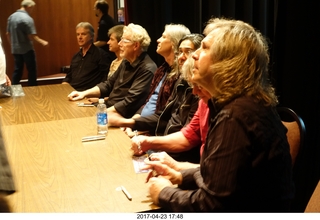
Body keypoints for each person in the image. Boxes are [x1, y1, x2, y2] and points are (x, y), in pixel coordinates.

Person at [143, 18, 295, 212]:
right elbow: (217, 177)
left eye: (204, 48)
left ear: (228, 63)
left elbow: (212, 206)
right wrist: (180, 176)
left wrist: (163, 192)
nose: (195, 55)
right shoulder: (236, 106)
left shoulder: (236, 115)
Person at [109, 24, 190, 128]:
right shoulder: (162, 70)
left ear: (174, 43)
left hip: (154, 130)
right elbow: (148, 102)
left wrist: (131, 123)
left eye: (164, 37)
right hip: (141, 123)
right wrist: (133, 122)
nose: (158, 40)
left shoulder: (179, 76)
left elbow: (165, 116)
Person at [68, 23, 157, 119]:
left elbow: (130, 102)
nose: (120, 44)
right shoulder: (126, 62)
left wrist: (101, 112)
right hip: (109, 108)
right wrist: (83, 93)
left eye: (124, 41)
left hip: (121, 115)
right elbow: (108, 84)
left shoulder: (147, 68)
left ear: (135, 46)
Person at [6, 0, 48, 86]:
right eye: (32, 8)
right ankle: (33, 89)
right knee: (31, 70)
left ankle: (14, 88)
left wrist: (12, 45)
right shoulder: (27, 19)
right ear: (29, 7)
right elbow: (31, 36)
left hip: (15, 49)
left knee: (17, 70)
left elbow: (7, 34)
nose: (32, 10)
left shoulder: (11, 17)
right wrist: (42, 42)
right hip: (27, 49)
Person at [62, 22, 109, 91]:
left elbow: (105, 80)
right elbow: (69, 76)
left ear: (91, 36)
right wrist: (63, 86)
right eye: (78, 34)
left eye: (83, 34)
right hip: (71, 90)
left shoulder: (101, 55)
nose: (80, 37)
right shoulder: (76, 56)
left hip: (87, 93)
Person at [93, 0, 116, 73]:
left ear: (99, 10)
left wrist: (90, 46)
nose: (94, 10)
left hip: (107, 54)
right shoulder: (108, 19)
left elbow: (103, 42)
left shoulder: (104, 23)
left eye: (95, 8)